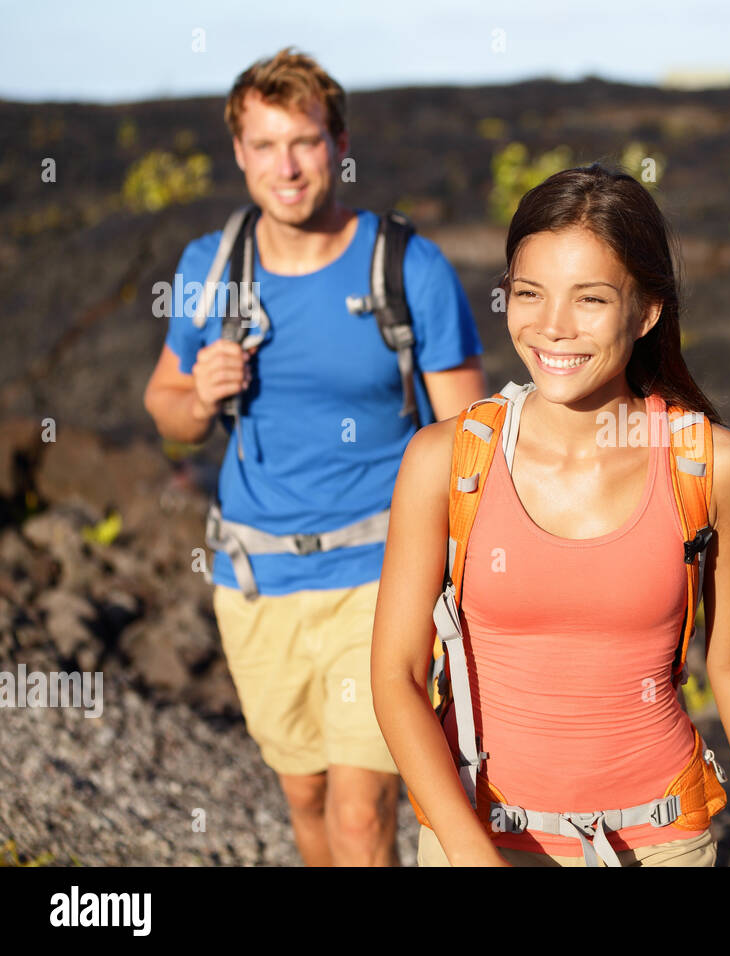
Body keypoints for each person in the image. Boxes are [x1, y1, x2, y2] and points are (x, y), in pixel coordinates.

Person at [371, 162, 730, 866]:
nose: (552, 328)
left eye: (590, 300)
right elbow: (396, 677)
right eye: (529, 293)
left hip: (660, 843)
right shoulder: (443, 460)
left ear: (647, 310)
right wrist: (469, 851)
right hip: (478, 838)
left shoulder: (715, 465)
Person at [142, 48, 488, 866]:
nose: (286, 167)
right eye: (265, 146)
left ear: (338, 142)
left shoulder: (408, 266)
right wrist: (199, 395)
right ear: (239, 153)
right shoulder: (213, 268)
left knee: (363, 808)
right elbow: (166, 410)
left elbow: (467, 441)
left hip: (381, 574)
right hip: (255, 579)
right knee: (303, 794)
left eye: (303, 141)